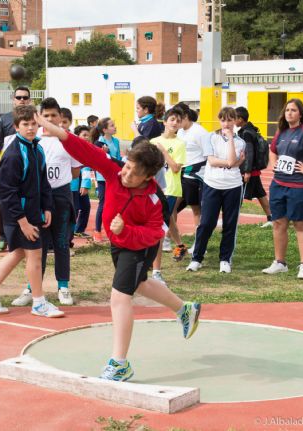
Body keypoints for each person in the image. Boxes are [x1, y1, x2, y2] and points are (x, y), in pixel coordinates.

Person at [35, 113, 201, 381]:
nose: (126, 175)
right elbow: (85, 150)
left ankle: (120, 363)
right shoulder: (114, 170)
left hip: (139, 246)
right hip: (119, 241)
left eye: (134, 174)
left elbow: (153, 233)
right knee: (139, 285)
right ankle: (185, 309)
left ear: (148, 177)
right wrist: (54, 130)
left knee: (120, 297)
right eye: (127, 167)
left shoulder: (154, 199)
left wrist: (127, 230)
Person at [0, 105, 64, 318]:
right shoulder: (14, 154)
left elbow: (43, 183)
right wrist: (22, 221)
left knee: (18, 254)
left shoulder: (37, 149)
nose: (31, 128)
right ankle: (39, 303)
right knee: (35, 256)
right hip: (19, 216)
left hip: (33, 212)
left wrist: (47, 207)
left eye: (34, 124)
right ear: (16, 127)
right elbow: (6, 192)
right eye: (26, 125)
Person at [11, 98, 81, 307]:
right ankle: (33, 288)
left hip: (60, 196)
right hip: (37, 199)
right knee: (36, 246)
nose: (50, 119)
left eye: (54, 116)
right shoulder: (34, 139)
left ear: (61, 118)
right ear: (39, 118)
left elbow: (75, 171)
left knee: (61, 243)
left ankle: (63, 286)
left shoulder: (68, 140)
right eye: (46, 116)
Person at [262, 99, 303, 279]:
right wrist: (274, 163)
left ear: (300, 114)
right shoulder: (281, 132)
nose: (289, 113)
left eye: (293, 110)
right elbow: (272, 149)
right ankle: (279, 262)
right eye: (287, 110)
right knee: (278, 223)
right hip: (279, 185)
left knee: (301, 224)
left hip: (301, 187)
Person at [187, 107, 246, 274]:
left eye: (230, 120)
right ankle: (197, 258)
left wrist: (230, 141)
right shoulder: (210, 138)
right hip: (212, 184)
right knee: (206, 223)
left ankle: (225, 259)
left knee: (230, 224)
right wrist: (230, 162)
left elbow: (233, 160)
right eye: (223, 120)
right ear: (219, 121)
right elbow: (212, 161)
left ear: (235, 121)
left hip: (233, 186)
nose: (226, 123)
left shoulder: (240, 142)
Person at [0, 86, 33, 252]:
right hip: (8, 169)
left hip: (30, 169)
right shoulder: (5, 119)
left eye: (25, 97)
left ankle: (28, 235)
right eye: (19, 97)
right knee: (3, 203)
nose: (22, 100)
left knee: (29, 201)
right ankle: (3, 236)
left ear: (30, 99)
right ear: (13, 99)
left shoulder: (36, 119)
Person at [149, 108, 188, 285]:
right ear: (164, 122)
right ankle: (180, 245)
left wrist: (164, 152)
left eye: (178, 121)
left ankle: (156, 271)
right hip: (153, 188)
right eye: (171, 119)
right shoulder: (153, 141)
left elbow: (175, 168)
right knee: (167, 221)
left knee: (160, 225)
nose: (174, 123)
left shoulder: (180, 144)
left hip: (171, 189)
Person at [175, 103, 209, 254]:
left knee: (196, 210)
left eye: (178, 119)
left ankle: (199, 243)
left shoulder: (199, 132)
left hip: (195, 176)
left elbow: (209, 154)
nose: (176, 122)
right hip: (180, 175)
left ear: (186, 117)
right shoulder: (180, 132)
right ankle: (170, 240)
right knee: (171, 207)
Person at [235, 106, 273, 228]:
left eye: (234, 118)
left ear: (240, 119)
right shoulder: (251, 130)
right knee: (261, 194)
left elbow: (249, 152)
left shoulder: (246, 133)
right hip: (253, 170)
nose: (233, 120)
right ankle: (272, 218)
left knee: (237, 196)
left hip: (249, 170)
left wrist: (247, 171)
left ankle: (231, 221)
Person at [90, 117, 121, 243]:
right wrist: (103, 154)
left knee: (116, 204)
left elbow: (118, 158)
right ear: (104, 129)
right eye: (112, 125)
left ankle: (113, 230)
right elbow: (97, 161)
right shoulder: (99, 142)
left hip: (115, 176)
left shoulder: (117, 141)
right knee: (103, 204)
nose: (115, 127)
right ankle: (97, 231)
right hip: (103, 178)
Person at [71, 125, 92, 238]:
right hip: (74, 180)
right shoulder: (74, 147)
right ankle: (69, 232)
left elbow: (87, 167)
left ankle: (79, 230)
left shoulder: (87, 148)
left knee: (85, 206)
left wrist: (85, 184)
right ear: (77, 136)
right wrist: (84, 184)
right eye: (84, 135)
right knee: (74, 208)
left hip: (82, 180)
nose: (87, 137)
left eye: (89, 135)